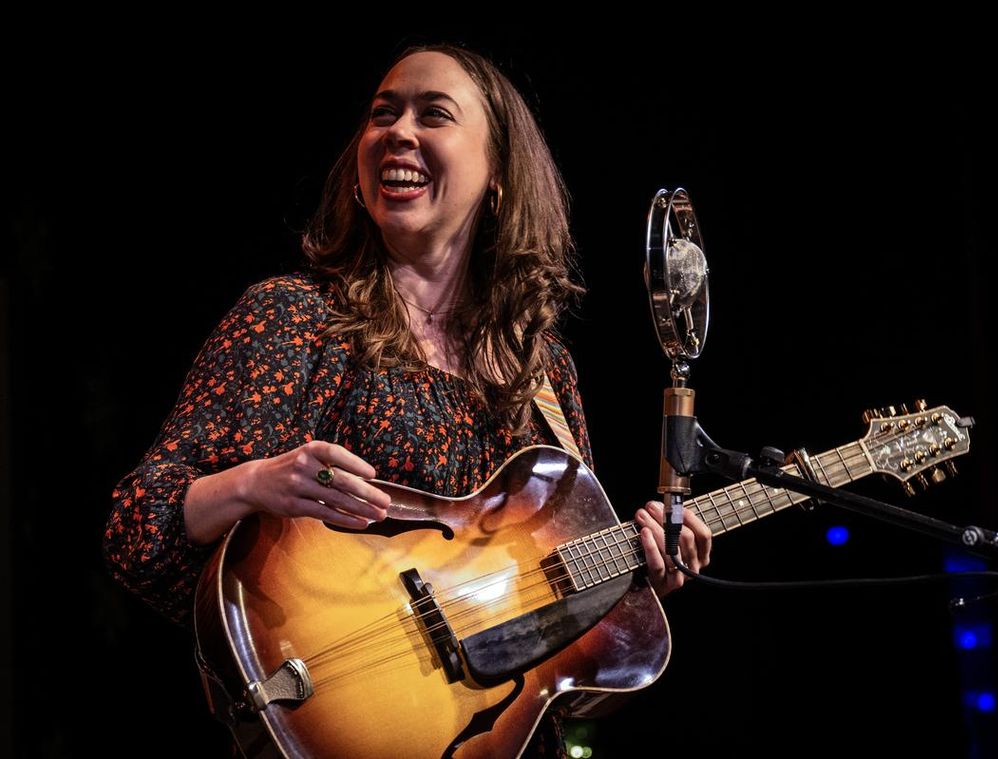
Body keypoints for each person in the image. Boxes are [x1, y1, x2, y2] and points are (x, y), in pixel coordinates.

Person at [103, 43, 713, 758]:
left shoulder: (542, 376)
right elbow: (136, 525)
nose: (397, 132)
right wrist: (255, 482)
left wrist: (637, 584)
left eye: (434, 115)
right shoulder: (294, 322)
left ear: (498, 177)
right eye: (382, 115)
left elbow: (555, 670)